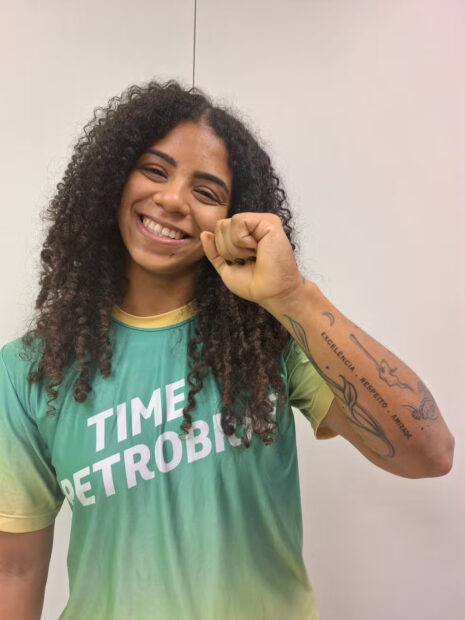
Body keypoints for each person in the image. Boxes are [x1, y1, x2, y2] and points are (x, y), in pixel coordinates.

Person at [0, 80, 454, 620]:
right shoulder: (29, 370)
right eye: (154, 170)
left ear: (233, 220)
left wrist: (293, 299)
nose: (172, 200)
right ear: (112, 180)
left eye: (207, 191)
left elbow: (430, 454)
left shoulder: (274, 336)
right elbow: (16, 568)